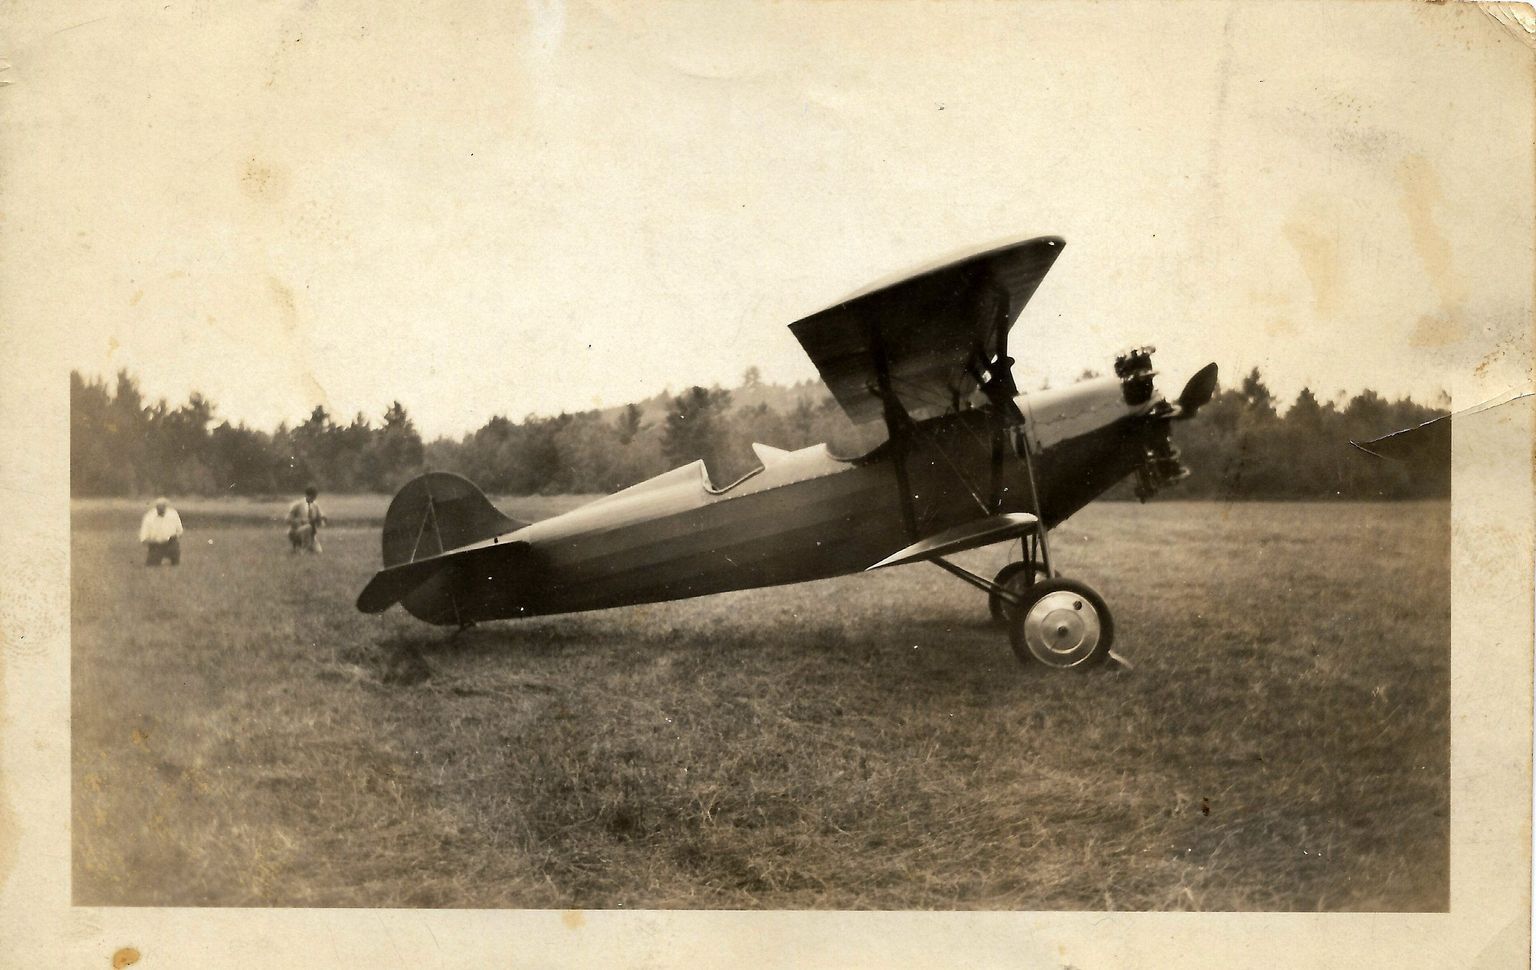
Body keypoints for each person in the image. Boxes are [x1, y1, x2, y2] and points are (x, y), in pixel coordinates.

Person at [139, 496, 183, 566]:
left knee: (175, 565)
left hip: (171, 543)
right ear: (156, 507)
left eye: (163, 507)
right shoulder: (149, 517)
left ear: (166, 507)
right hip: (156, 545)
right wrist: (156, 541)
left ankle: (173, 559)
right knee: (152, 566)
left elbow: (180, 531)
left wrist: (173, 537)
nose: (161, 509)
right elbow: (143, 539)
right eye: (159, 507)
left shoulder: (173, 514)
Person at [287, 486, 328, 554]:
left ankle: (301, 548)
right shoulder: (297, 504)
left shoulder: (315, 505)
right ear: (307, 495)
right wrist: (301, 521)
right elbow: (288, 519)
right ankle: (303, 550)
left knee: (318, 552)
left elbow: (321, 517)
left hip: (310, 535)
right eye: (312, 497)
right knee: (307, 527)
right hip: (296, 531)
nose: (314, 499)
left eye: (315, 497)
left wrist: (322, 519)